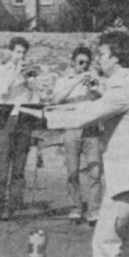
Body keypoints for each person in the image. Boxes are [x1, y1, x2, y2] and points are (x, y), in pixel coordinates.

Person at [44, 29, 129, 257]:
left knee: (106, 239)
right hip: (126, 176)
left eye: (103, 54)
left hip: (127, 177)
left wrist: (47, 116)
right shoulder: (122, 83)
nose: (99, 59)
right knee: (123, 240)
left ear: (116, 56)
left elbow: (88, 113)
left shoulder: (124, 86)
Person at [50, 46, 103, 225]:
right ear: (73, 62)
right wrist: (76, 81)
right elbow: (56, 100)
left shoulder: (94, 81)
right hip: (71, 129)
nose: (84, 67)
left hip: (90, 130)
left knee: (95, 172)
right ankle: (75, 208)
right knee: (72, 172)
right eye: (80, 63)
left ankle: (94, 212)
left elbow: (104, 100)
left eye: (87, 64)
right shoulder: (63, 81)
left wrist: (94, 89)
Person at [0, 36, 39, 223]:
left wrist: (31, 83)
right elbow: (1, 91)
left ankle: (14, 210)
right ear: (10, 52)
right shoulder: (0, 70)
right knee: (2, 167)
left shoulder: (28, 73)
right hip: (6, 119)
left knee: (19, 168)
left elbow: (36, 99)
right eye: (18, 52)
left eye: (23, 53)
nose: (21, 56)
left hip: (24, 119)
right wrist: (16, 73)